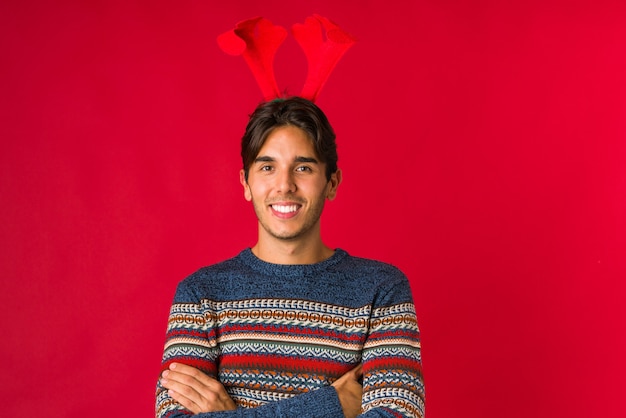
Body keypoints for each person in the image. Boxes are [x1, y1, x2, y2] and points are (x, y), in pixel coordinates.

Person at [156, 97, 425, 418]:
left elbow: (397, 415)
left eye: (303, 167)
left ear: (332, 183)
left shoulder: (381, 289)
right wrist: (331, 405)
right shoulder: (200, 294)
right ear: (246, 183)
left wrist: (229, 414)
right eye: (268, 167)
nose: (284, 185)